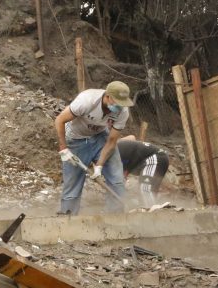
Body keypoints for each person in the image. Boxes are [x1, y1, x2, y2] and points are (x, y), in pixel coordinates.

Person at [55, 81, 134, 215]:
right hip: (76, 139)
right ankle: (67, 221)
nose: (120, 106)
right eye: (117, 102)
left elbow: (112, 140)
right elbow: (60, 120)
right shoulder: (87, 100)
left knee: (117, 178)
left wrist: (99, 165)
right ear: (108, 96)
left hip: (100, 138)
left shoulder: (123, 111)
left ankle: (117, 219)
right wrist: (63, 148)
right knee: (72, 185)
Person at [118, 136, 170, 207]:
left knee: (145, 188)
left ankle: (150, 215)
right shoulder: (118, 147)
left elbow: (132, 137)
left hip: (155, 157)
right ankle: (150, 212)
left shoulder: (114, 149)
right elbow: (124, 174)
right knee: (148, 191)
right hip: (158, 158)